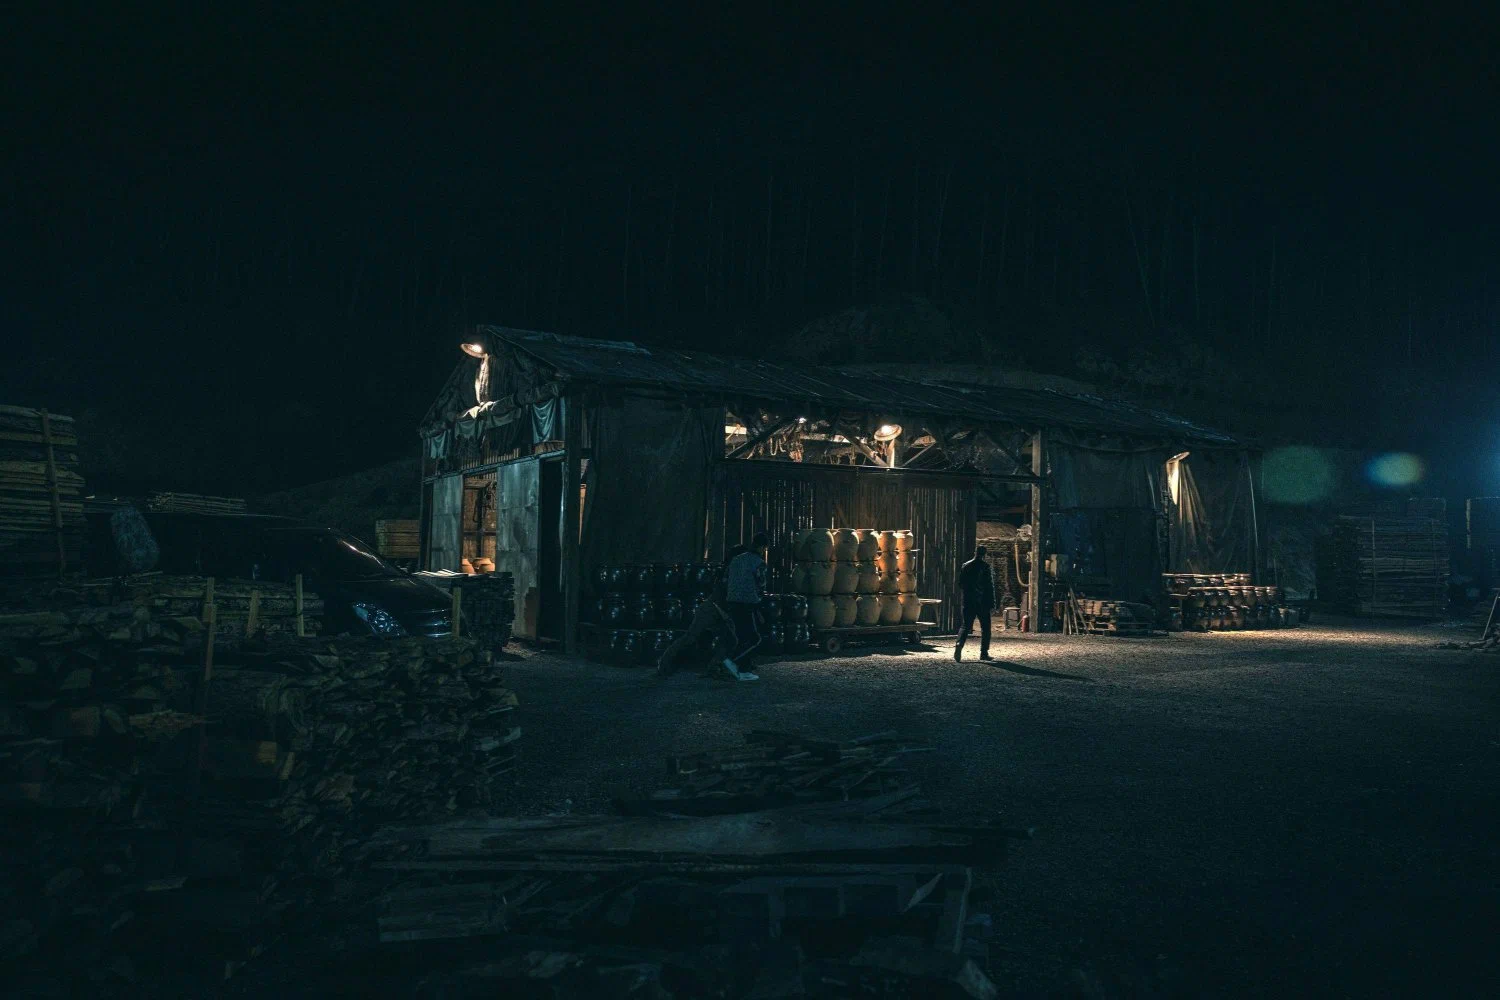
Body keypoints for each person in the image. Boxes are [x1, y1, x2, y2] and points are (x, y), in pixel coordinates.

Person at [721, 532, 769, 681]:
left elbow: (725, 579)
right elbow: (761, 584)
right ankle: (731, 660)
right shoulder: (759, 562)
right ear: (762, 547)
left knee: (742, 638)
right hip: (747, 603)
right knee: (754, 639)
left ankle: (744, 670)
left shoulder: (736, 559)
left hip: (731, 602)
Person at [655, 595, 737, 677]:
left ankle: (714, 667)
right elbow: (720, 598)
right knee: (690, 638)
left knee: (729, 640)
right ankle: (663, 665)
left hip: (719, 612)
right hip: (711, 610)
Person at [954, 545, 997, 661]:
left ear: (975, 552)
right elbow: (989, 587)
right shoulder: (985, 567)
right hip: (983, 602)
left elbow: (960, 584)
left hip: (968, 601)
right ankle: (984, 653)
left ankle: (959, 644)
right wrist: (992, 604)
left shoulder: (966, 565)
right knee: (986, 628)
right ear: (985, 554)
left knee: (965, 626)